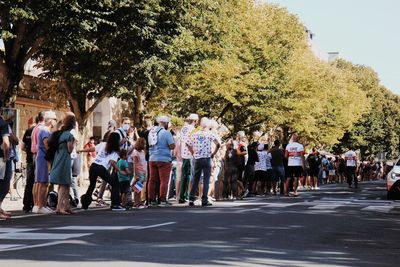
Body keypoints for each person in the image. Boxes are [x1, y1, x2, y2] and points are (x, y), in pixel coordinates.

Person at [79, 132, 126, 211]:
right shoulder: (115, 150)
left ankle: (85, 204)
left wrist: (82, 150)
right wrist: (120, 171)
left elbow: (93, 148)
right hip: (101, 168)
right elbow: (112, 162)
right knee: (115, 184)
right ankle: (115, 204)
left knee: (92, 185)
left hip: (93, 166)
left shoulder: (104, 144)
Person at [187, 117, 221, 207]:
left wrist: (193, 152)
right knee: (206, 180)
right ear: (208, 125)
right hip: (207, 158)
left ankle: (191, 199)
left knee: (195, 179)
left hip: (197, 158)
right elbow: (218, 144)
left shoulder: (195, 134)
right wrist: (213, 153)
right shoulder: (210, 134)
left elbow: (188, 143)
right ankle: (204, 200)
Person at [49, 112, 76, 215]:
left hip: (58, 157)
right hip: (65, 158)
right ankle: (60, 208)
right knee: (64, 184)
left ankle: (66, 206)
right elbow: (70, 149)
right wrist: (73, 143)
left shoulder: (59, 133)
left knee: (66, 183)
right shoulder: (69, 135)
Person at [147, 116, 175, 207]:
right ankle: (162, 199)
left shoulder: (151, 132)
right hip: (164, 159)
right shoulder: (166, 133)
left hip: (152, 158)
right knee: (164, 180)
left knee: (152, 180)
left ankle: (151, 200)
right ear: (166, 123)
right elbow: (172, 146)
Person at [34, 110, 58, 214]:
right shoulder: (44, 130)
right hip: (43, 158)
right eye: (54, 119)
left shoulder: (46, 131)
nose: (55, 122)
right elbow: (46, 145)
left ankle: (42, 204)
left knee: (43, 182)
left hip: (43, 157)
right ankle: (40, 205)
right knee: (43, 182)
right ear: (50, 120)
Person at [179, 113, 199, 203]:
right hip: (190, 155)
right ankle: (187, 195)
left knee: (184, 176)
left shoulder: (184, 128)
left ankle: (182, 196)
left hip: (183, 154)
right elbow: (189, 143)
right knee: (189, 176)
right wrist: (193, 153)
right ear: (195, 121)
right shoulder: (193, 129)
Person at [30, 111, 45, 212]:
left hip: (35, 154)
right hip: (39, 154)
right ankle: (39, 205)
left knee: (36, 181)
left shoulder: (35, 128)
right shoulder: (41, 129)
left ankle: (36, 204)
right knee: (40, 182)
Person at [21, 116, 36, 212]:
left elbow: (22, 147)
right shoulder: (39, 130)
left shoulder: (28, 131)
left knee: (29, 182)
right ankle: (34, 203)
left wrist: (28, 151)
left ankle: (26, 205)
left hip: (29, 159)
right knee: (38, 182)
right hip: (37, 159)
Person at [0, 111, 12, 219]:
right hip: (0, 158)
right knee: (3, 184)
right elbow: (6, 143)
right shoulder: (3, 124)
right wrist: (5, 156)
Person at [132, 137, 147, 209]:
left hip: (143, 171)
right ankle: (136, 202)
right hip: (139, 171)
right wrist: (135, 174)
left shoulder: (142, 152)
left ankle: (139, 201)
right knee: (137, 188)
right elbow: (134, 164)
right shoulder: (135, 152)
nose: (145, 145)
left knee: (140, 187)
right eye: (144, 144)